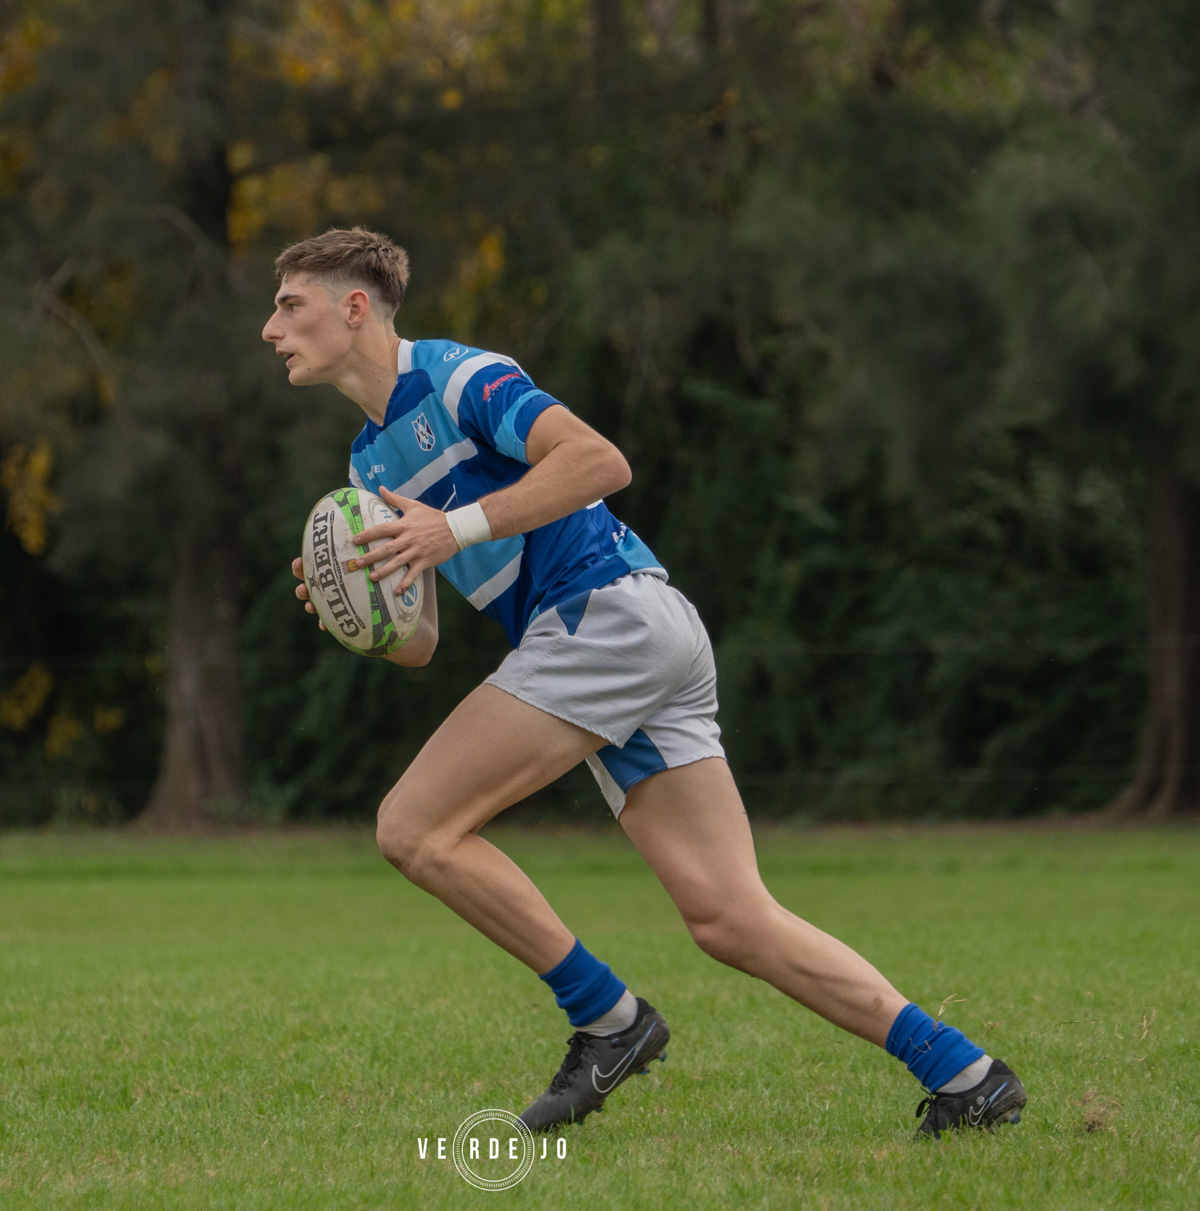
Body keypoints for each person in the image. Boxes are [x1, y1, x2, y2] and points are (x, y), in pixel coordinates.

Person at [263, 227, 1025, 1138]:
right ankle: (969, 1076)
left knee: (413, 827)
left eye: (289, 305)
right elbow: (422, 641)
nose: (272, 328)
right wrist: (358, 617)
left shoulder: (460, 377)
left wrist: (453, 528)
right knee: (730, 918)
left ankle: (610, 1020)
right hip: (628, 635)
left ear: (355, 308)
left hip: (606, 616)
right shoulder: (365, 468)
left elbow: (599, 462)